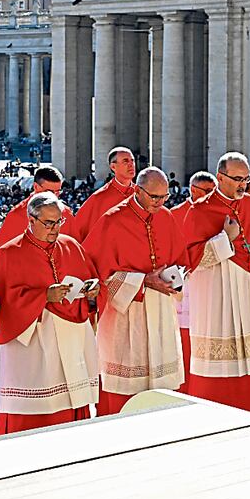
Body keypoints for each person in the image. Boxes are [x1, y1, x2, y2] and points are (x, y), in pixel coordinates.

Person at [0, 192, 99, 434]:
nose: (55, 229)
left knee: (70, 409)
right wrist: (42, 297)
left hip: (70, 339)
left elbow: (84, 283)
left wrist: (90, 293)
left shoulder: (71, 246)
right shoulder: (9, 253)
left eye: (59, 221)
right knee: (34, 414)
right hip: (32, 342)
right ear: (31, 220)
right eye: (48, 223)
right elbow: (2, 304)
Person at [83, 168, 187, 415]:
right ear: (138, 191)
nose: (160, 203)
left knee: (162, 392)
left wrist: (174, 276)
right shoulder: (112, 220)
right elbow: (97, 273)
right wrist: (142, 281)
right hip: (126, 313)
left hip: (161, 307)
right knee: (126, 388)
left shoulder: (166, 217)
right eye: (154, 197)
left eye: (164, 197)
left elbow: (182, 259)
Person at [182, 152, 250, 412]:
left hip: (249, 287)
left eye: (245, 178)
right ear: (220, 177)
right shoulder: (200, 210)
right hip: (218, 293)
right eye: (237, 179)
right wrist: (225, 238)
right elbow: (190, 258)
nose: (243, 185)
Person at [169, 171, 216, 392]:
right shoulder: (174, 215)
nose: (212, 196)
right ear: (193, 191)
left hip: (209, 285)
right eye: (208, 192)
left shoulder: (216, 213)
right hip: (184, 288)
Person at [0, 166, 75, 252]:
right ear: (35, 187)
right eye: (50, 191)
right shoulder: (16, 215)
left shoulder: (66, 213)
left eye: (58, 191)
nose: (54, 196)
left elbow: (75, 249)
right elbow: (1, 254)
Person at [73, 147, 136, 241]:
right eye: (125, 161)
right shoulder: (98, 198)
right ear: (113, 167)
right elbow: (78, 231)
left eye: (132, 160)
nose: (131, 165)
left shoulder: (141, 194)